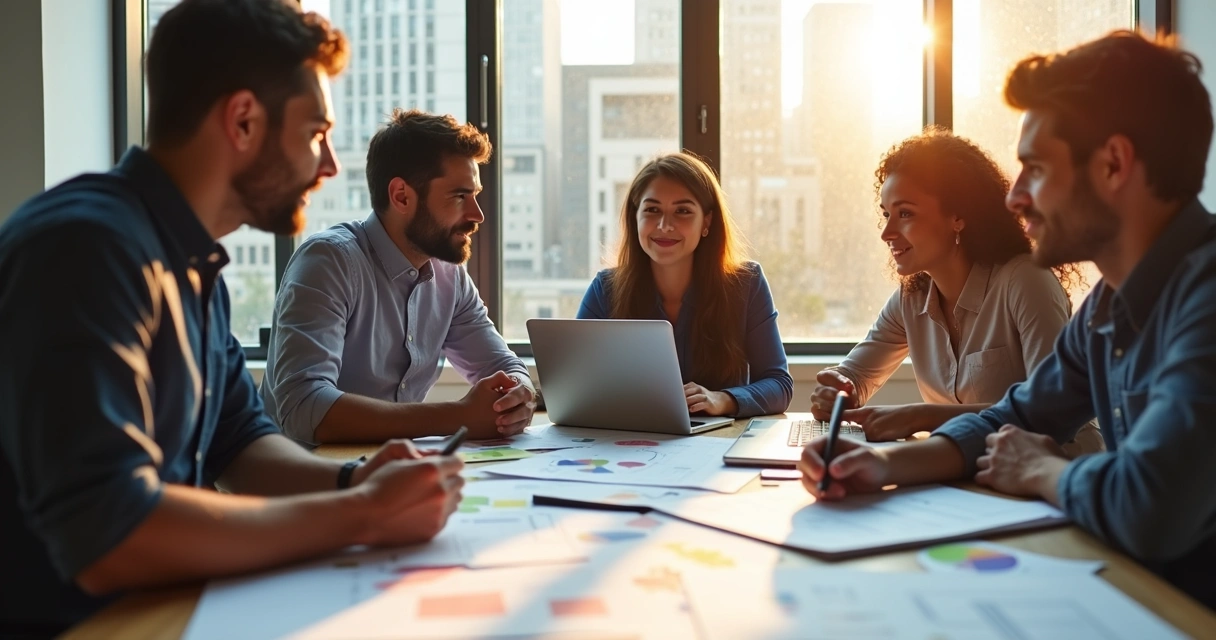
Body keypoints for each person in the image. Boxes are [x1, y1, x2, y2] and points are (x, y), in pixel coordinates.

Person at [0, 2, 463, 636]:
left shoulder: (193, 264)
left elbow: (240, 442)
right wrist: (362, 514)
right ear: (243, 120)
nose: (327, 166)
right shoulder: (86, 249)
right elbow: (110, 532)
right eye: (314, 134)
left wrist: (353, 478)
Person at [798, 31, 1216, 609]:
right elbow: (1015, 414)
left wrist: (1044, 471)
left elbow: (1152, 507)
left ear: (1114, 164)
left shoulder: (1206, 298)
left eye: (1036, 170)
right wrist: (879, 463)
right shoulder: (1106, 307)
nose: (1015, 197)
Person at [810, 128, 1101, 454]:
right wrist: (837, 390)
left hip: (1058, 477)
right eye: (886, 214)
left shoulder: (1025, 281)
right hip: (972, 478)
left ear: (958, 217)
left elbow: (1050, 413)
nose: (887, 233)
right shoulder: (912, 298)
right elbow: (854, 376)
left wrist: (921, 418)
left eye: (905, 213)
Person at [260, 110, 534, 445]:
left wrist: (520, 393)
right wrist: (458, 417)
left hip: (389, 473)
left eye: (474, 195)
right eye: (460, 196)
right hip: (301, 482)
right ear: (401, 196)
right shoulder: (328, 262)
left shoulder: (449, 276)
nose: (477, 215)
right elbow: (303, 410)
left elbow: (501, 365)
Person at [577, 152, 793, 418]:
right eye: (652, 210)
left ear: (707, 222)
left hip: (718, 445)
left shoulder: (746, 284)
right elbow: (575, 386)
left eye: (683, 211)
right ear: (636, 217)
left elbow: (779, 385)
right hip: (632, 444)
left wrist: (723, 400)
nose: (665, 225)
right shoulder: (605, 290)